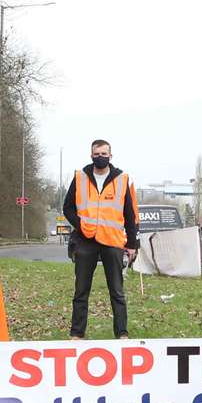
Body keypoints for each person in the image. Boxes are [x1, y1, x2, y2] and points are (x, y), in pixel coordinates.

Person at [61, 139, 139, 339]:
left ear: (111, 156)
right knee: (81, 290)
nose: (101, 157)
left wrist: (132, 244)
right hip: (85, 240)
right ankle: (77, 334)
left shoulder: (122, 179)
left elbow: (130, 215)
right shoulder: (80, 177)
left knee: (117, 291)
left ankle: (122, 333)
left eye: (104, 154)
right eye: (97, 154)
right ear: (91, 156)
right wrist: (80, 225)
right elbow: (67, 207)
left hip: (112, 241)